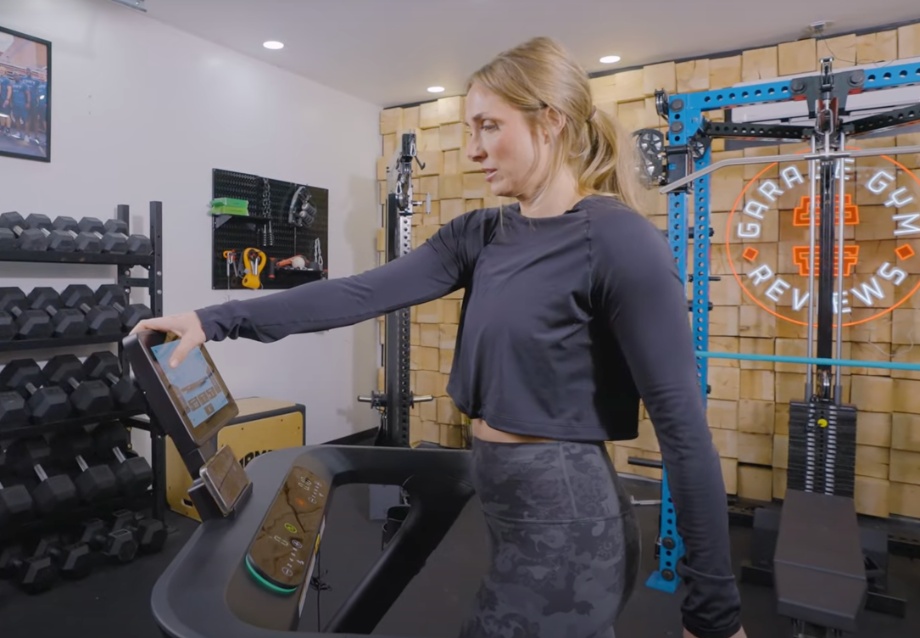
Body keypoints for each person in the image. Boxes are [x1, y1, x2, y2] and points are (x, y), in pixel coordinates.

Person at [133, 36, 746, 638]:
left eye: (488, 126)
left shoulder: (617, 241)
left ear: (551, 121)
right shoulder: (481, 234)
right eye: (467, 129)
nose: (472, 149)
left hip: (568, 518)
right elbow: (359, 293)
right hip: (509, 509)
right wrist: (214, 320)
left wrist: (713, 617)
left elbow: (685, 434)